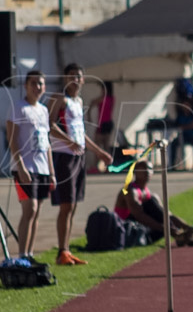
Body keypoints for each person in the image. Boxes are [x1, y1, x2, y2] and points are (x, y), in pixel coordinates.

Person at [47, 63, 114, 266]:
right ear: (65, 78)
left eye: (78, 76)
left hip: (79, 157)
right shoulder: (59, 98)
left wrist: (99, 152)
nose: (75, 79)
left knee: (74, 205)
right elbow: (48, 125)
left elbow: (81, 133)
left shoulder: (78, 101)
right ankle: (61, 251)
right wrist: (69, 141)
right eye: (71, 76)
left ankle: (66, 250)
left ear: (83, 80)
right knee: (66, 205)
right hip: (63, 156)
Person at [6, 70, 56, 261]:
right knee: (30, 209)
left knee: (37, 212)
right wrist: (21, 166)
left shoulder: (43, 110)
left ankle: (29, 253)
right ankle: (21, 255)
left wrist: (51, 172)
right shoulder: (18, 107)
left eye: (41, 84)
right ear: (26, 86)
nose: (37, 87)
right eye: (33, 83)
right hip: (25, 168)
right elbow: (12, 138)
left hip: (42, 167)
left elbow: (47, 142)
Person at [113, 160, 193, 246]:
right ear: (135, 172)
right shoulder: (129, 191)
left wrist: (188, 227)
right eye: (143, 169)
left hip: (143, 229)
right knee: (151, 203)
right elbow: (138, 216)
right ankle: (179, 236)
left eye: (149, 169)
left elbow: (167, 215)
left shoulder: (148, 193)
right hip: (126, 232)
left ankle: (186, 236)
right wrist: (168, 230)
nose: (147, 172)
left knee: (154, 202)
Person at [169, 78, 193, 170]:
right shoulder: (180, 115)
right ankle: (172, 165)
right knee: (173, 144)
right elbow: (177, 126)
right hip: (181, 136)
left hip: (191, 136)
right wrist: (183, 127)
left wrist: (183, 127)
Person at [87, 80, 115, 172]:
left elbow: (92, 103)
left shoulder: (102, 98)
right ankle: (108, 167)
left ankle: (96, 166)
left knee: (97, 146)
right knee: (106, 146)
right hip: (109, 123)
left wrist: (89, 116)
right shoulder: (112, 98)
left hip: (102, 124)